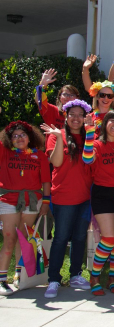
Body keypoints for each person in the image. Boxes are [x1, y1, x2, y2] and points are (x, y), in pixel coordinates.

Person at [40, 99, 95, 298]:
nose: (76, 118)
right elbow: (56, 162)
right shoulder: (56, 136)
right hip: (63, 197)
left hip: (85, 197)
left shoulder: (90, 135)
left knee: (80, 237)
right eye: (72, 114)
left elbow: (92, 160)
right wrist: (58, 137)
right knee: (61, 238)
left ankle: (75, 274)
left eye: (81, 115)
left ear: (86, 117)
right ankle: (53, 278)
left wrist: (90, 132)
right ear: (65, 116)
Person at [82, 110, 114, 296]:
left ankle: (112, 277)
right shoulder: (96, 143)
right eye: (112, 120)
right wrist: (89, 132)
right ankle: (95, 277)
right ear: (104, 124)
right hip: (103, 192)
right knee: (109, 238)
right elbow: (87, 159)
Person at [0, 121, 50, 296]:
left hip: (32, 200)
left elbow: (45, 181)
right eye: (15, 136)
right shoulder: (4, 152)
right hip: (9, 199)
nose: (19, 138)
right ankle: (1, 279)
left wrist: (45, 202)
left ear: (30, 137)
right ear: (9, 139)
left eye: (23, 135)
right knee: (9, 238)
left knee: (24, 237)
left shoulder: (40, 156)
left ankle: (19, 274)